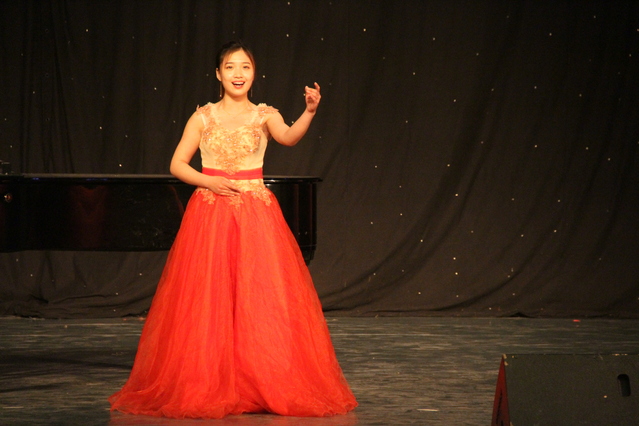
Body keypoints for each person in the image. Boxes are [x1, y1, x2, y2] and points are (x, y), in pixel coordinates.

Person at [108, 41, 358, 419]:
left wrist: (309, 111)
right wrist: (208, 181)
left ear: (254, 73)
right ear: (218, 74)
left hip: (255, 214)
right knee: (209, 298)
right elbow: (177, 164)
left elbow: (289, 137)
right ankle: (211, 379)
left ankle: (258, 379)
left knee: (259, 298)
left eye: (245, 67)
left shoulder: (264, 115)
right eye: (230, 67)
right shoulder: (203, 117)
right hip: (210, 215)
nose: (238, 74)